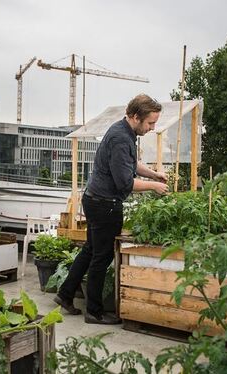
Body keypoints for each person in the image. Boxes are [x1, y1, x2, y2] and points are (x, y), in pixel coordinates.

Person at [54, 94, 169, 324]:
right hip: (105, 204)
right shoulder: (120, 138)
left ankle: (66, 294)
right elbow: (125, 183)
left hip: (94, 198)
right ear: (136, 117)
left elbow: (131, 163)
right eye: (150, 123)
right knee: (102, 257)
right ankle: (94, 312)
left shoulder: (124, 132)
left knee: (90, 250)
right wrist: (154, 186)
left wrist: (154, 173)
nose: (152, 128)